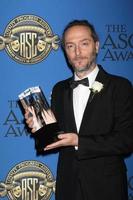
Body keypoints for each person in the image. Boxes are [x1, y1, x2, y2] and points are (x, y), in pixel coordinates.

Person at [25, 20, 133, 200]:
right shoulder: (60, 89)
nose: (77, 52)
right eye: (70, 46)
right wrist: (39, 128)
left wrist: (79, 141)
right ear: (65, 52)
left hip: (106, 189)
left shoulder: (120, 86)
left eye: (84, 43)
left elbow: (126, 140)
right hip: (68, 187)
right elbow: (50, 142)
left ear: (96, 46)